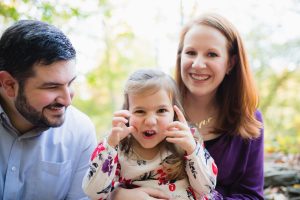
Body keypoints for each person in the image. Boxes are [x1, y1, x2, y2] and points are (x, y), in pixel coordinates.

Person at [110, 13, 264, 200]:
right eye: (191, 52)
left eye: (212, 54)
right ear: (180, 57)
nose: (198, 64)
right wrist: (118, 195)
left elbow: (252, 196)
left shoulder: (248, 119)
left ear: (230, 63)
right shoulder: (152, 106)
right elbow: (110, 167)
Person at [82, 69, 218, 200]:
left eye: (161, 110)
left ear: (174, 113)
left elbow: (207, 188)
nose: (150, 121)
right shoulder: (116, 147)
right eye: (140, 111)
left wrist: (192, 149)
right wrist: (110, 146)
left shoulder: (187, 140)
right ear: (126, 113)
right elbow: (94, 194)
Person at [0, 20, 97, 200]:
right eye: (52, 87)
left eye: (70, 83)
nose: (67, 100)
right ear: (9, 85)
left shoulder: (81, 132)